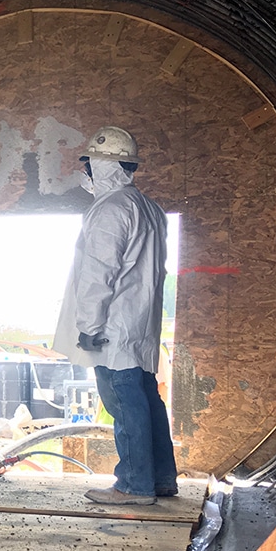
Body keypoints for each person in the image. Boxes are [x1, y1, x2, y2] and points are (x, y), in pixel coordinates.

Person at [53, 126, 178, 506]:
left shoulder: (109, 209)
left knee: (124, 404)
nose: (87, 172)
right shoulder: (148, 208)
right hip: (139, 326)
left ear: (103, 166)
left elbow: (98, 271)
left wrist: (88, 326)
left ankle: (133, 485)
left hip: (112, 327)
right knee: (146, 400)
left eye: (90, 164)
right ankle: (160, 479)